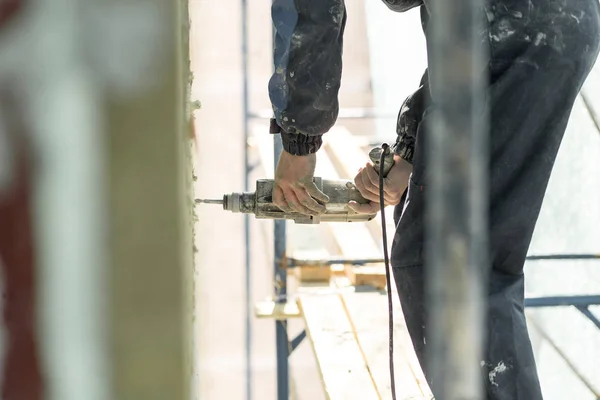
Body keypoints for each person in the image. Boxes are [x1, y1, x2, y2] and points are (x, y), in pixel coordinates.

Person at [269, 0, 600, 398]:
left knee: (446, 263)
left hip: (516, 33)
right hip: (550, 25)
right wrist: (410, 152)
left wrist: (299, 144)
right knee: (461, 260)